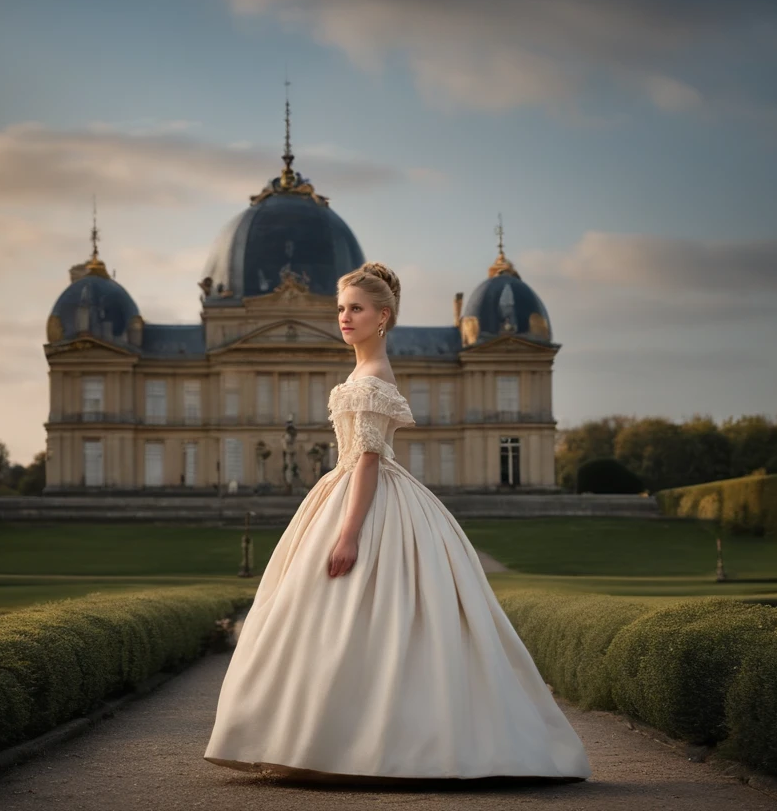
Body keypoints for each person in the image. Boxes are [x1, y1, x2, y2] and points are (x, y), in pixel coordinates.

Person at [203, 262, 591, 781]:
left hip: (365, 497)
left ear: (382, 317)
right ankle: (338, 741)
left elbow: (366, 459)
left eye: (356, 309)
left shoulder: (374, 374)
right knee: (365, 622)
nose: (344, 318)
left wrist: (348, 533)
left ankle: (344, 743)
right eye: (340, 308)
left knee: (351, 619)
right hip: (354, 491)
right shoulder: (364, 372)